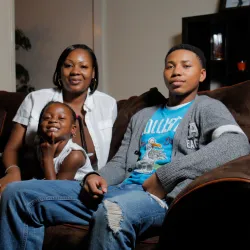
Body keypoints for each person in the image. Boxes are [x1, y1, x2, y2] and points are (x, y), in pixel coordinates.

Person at [0, 44, 249, 250]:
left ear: (202, 74)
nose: (176, 72)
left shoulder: (206, 107)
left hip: (157, 199)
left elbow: (236, 144)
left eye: (186, 66)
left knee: (113, 213)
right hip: (118, 190)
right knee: (18, 194)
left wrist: (165, 177)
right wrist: (96, 175)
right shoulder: (143, 115)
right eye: (170, 66)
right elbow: (120, 163)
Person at [0, 44, 117, 191]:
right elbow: (11, 148)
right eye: (68, 65)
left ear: (93, 73)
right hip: (40, 182)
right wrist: (12, 172)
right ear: (60, 70)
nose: (75, 71)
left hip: (87, 185)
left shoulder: (108, 104)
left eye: (83, 67)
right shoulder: (35, 99)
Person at [37, 101, 93, 180]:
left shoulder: (74, 155)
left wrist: (47, 158)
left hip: (71, 190)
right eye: (47, 118)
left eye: (61, 118)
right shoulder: (43, 147)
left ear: (73, 129)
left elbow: (54, 190)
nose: (53, 120)